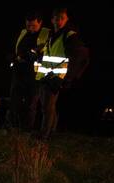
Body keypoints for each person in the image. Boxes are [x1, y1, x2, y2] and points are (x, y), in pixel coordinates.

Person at [32, 7, 89, 140]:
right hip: (45, 75)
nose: (59, 21)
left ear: (66, 19)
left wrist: (67, 78)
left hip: (56, 77)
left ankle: (44, 135)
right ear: (52, 20)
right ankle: (50, 132)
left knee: (47, 107)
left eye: (62, 18)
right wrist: (37, 55)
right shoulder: (51, 34)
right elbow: (48, 53)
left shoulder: (70, 36)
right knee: (47, 106)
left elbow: (79, 58)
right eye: (56, 18)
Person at [8, 10, 49, 130]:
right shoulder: (23, 32)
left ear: (40, 23)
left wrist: (35, 55)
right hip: (19, 72)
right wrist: (15, 57)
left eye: (34, 26)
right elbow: (14, 48)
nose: (30, 28)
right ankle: (11, 127)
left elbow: (48, 52)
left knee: (31, 104)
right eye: (28, 25)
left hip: (35, 75)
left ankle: (27, 130)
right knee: (14, 101)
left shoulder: (47, 34)